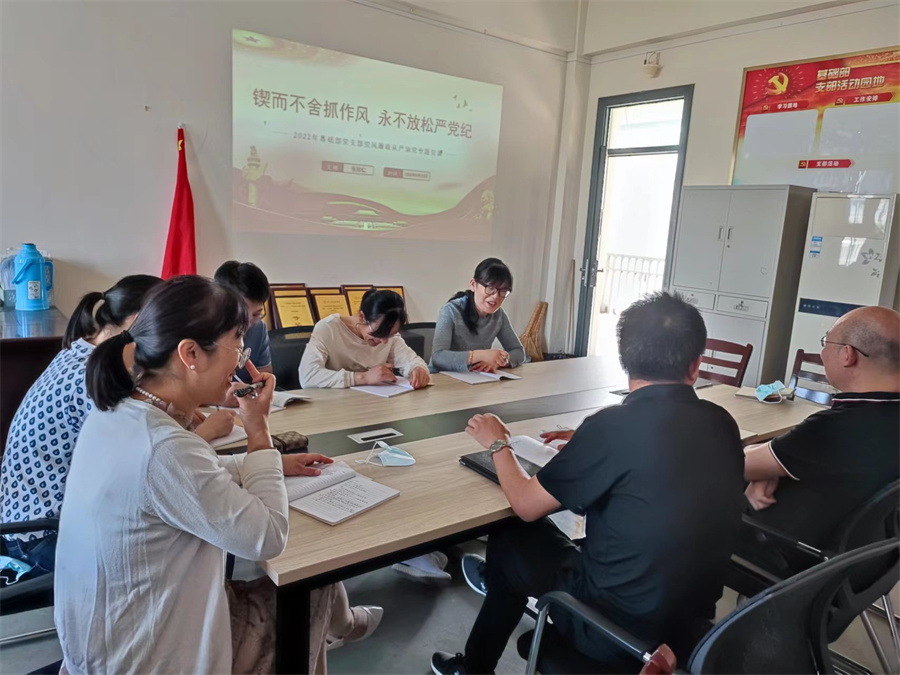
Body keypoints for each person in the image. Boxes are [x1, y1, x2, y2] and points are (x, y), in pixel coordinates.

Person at [53, 276, 381, 675]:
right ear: (190, 353)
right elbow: (267, 537)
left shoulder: (118, 412)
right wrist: (258, 430)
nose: (243, 360)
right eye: (238, 343)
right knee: (312, 584)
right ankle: (343, 627)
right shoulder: (165, 447)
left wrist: (263, 465)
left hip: (101, 640)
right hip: (146, 658)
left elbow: (174, 482)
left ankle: (342, 628)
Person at [432, 292, 745, 674]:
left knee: (510, 537)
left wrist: (498, 443)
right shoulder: (723, 423)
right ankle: (498, 594)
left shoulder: (613, 428)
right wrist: (586, 443)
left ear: (625, 360)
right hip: (689, 632)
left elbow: (526, 504)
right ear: (695, 366)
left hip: (612, 630)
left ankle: (475, 666)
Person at [0, 275, 166, 576]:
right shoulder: (92, 375)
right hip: (42, 537)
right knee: (170, 541)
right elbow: (141, 460)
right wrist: (206, 430)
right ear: (137, 321)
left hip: (26, 523)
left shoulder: (81, 352)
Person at [741, 306, 899, 573]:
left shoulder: (837, 427)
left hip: (803, 559)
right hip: (872, 555)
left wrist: (763, 468)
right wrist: (771, 467)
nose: (823, 352)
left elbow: (736, 463)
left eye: (826, 342)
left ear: (847, 355)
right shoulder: (884, 415)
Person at [299, 289, 429, 390]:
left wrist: (417, 370)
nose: (384, 341)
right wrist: (364, 377)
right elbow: (308, 377)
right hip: (334, 405)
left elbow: (411, 360)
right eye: (379, 333)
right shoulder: (328, 328)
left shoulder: (389, 337)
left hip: (374, 403)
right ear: (362, 317)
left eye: (391, 334)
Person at [430, 258, 525, 373]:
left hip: (477, 377)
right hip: (442, 377)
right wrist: (480, 355)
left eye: (503, 291)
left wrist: (501, 361)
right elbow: (438, 357)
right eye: (490, 288)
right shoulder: (450, 310)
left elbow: (519, 352)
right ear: (473, 285)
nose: (495, 296)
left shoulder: (499, 316)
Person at [214, 260, 273, 381]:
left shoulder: (258, 328)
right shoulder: (201, 331)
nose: (249, 324)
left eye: (257, 314)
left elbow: (264, 377)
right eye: (242, 316)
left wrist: (261, 387)